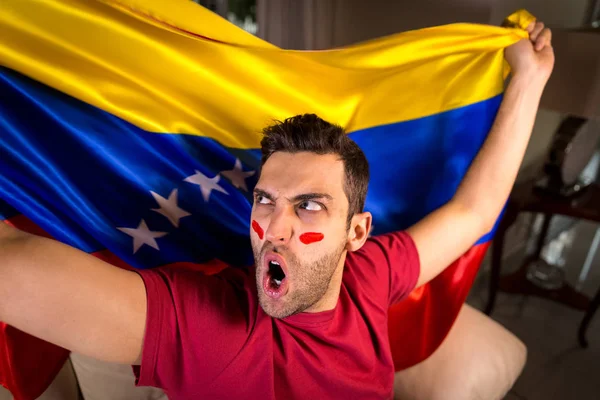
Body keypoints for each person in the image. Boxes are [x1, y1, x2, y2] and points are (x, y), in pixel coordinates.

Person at [0, 20, 553, 399]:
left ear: (357, 232)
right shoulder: (208, 327)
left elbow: (476, 211)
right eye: (265, 200)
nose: (274, 229)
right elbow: (14, 268)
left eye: (309, 206)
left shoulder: (372, 272)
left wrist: (530, 79)